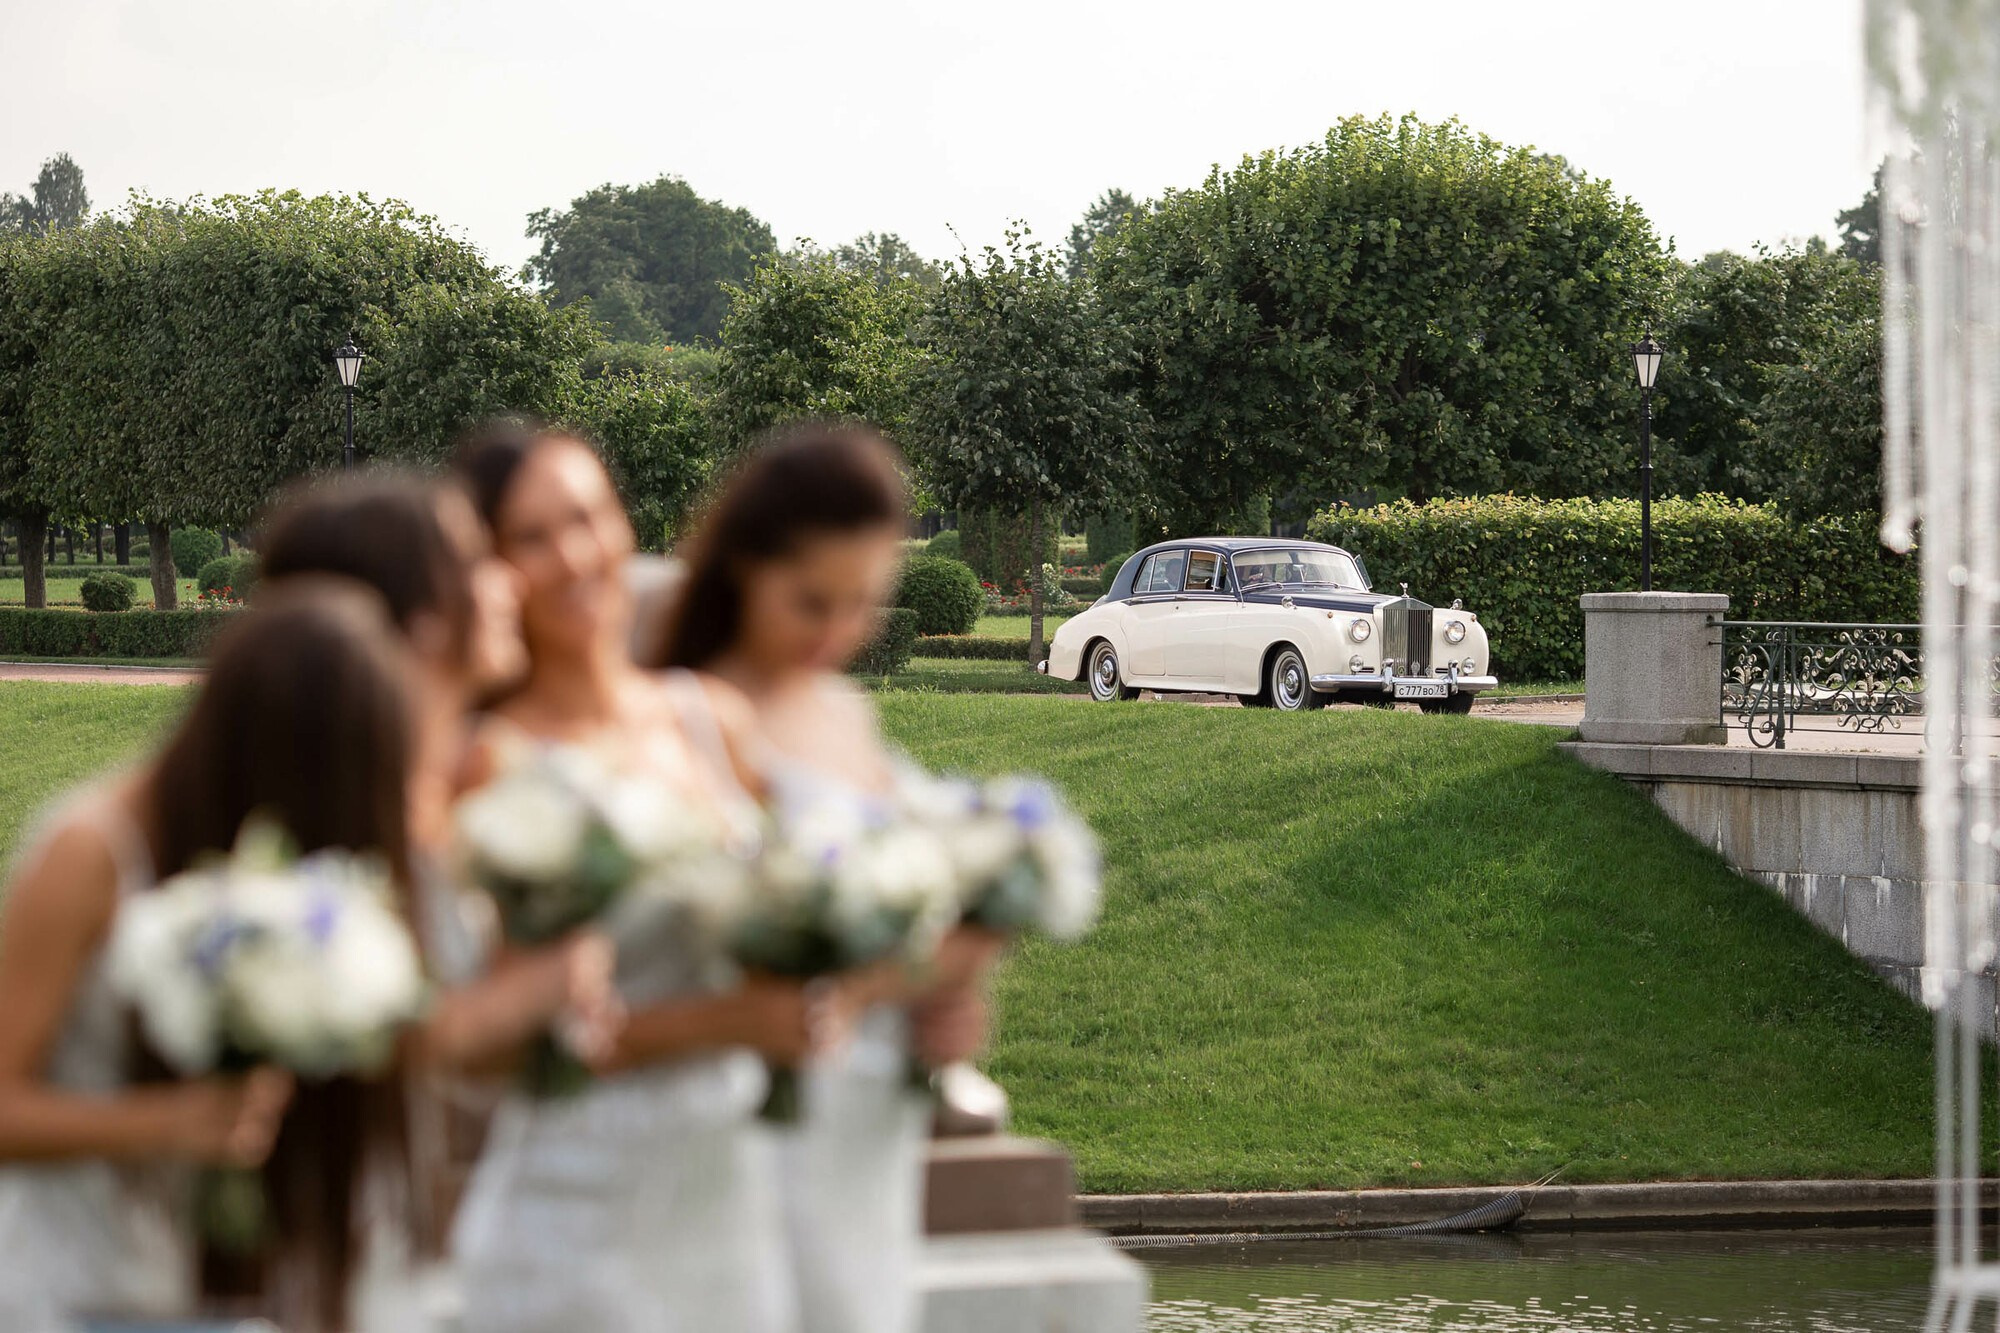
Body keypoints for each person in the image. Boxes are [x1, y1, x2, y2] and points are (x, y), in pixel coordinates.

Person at [447, 422, 836, 1333]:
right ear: (494, 568)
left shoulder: (710, 719)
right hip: (576, 1213)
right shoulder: (490, 763)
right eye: (533, 536)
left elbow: (798, 909)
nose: (575, 553)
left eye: (588, 514)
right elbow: (494, 1046)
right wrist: (728, 1024)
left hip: (731, 1197)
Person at [0, 582, 431, 1333]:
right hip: (92, 1295)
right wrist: (168, 1121)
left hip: (273, 1295)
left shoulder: (307, 876)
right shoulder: (91, 853)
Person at [654, 422, 1001, 1333]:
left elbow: (894, 911)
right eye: (812, 601)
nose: (838, 632)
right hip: (734, 1114)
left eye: (862, 603)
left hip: (865, 1123)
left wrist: (943, 993)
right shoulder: (679, 718)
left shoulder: (845, 709)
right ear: (741, 565)